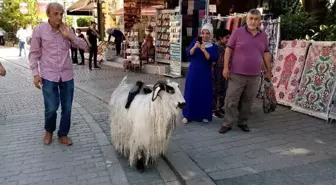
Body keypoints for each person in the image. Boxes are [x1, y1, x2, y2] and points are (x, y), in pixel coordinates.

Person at [28, 2, 88, 145]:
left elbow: (86, 47)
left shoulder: (67, 30)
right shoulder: (39, 30)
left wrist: (70, 36)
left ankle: (63, 134)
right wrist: (36, 74)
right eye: (56, 14)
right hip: (48, 75)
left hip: (67, 75)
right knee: (52, 107)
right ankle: (49, 131)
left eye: (61, 14)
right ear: (48, 15)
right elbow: (34, 54)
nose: (59, 17)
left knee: (67, 108)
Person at [219, 9, 272, 134]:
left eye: (256, 19)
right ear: (246, 19)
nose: (253, 21)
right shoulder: (237, 32)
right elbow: (228, 50)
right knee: (232, 99)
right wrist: (226, 67)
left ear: (259, 21)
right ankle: (227, 123)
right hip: (236, 73)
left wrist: (268, 70)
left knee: (248, 101)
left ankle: (243, 122)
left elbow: (266, 53)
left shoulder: (263, 35)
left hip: (254, 75)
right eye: (251, 18)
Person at [182, 23, 218, 123]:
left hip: (205, 73)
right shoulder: (195, 41)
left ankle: (204, 115)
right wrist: (194, 47)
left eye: (207, 33)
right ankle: (187, 115)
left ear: (211, 35)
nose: (205, 35)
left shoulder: (213, 46)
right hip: (193, 71)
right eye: (203, 33)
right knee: (191, 92)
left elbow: (211, 59)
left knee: (204, 92)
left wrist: (203, 50)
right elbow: (188, 54)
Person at [212, 29, 231, 118]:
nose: (228, 39)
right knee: (217, 89)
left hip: (224, 70)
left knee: (223, 89)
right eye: (227, 37)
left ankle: (219, 107)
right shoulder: (216, 47)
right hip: (217, 71)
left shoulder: (226, 47)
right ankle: (214, 109)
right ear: (220, 38)